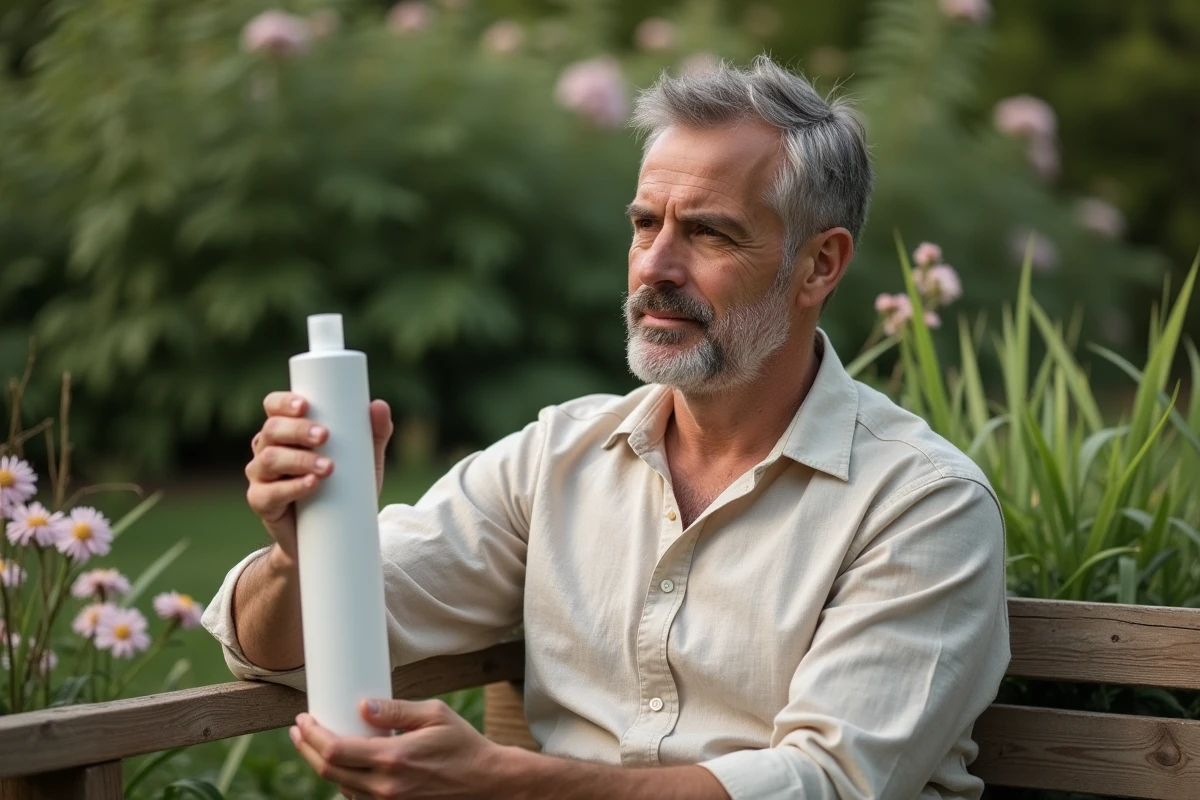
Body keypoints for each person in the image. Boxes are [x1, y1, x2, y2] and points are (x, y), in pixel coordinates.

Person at [203, 55, 1009, 800]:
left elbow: (828, 783)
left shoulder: (922, 504)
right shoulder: (556, 458)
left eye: (708, 232)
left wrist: (508, 784)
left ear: (819, 265)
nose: (655, 266)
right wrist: (300, 554)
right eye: (644, 223)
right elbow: (279, 649)